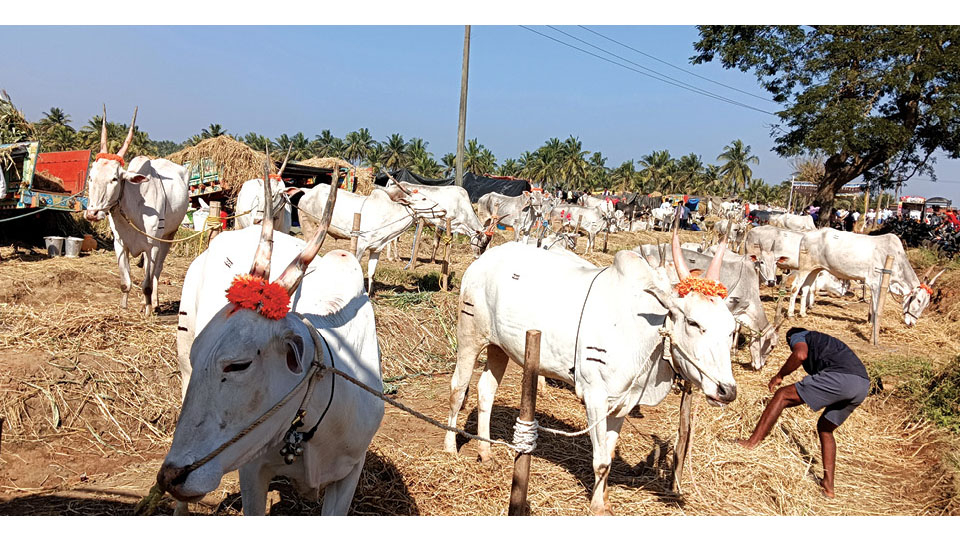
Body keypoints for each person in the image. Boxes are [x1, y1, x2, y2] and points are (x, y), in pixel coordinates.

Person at [737, 328, 870, 498]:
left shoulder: (799, 335)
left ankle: (752, 442)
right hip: (862, 385)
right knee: (825, 428)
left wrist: (779, 376)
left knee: (782, 395)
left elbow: (800, 355)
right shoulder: (825, 343)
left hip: (842, 378)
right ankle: (828, 486)